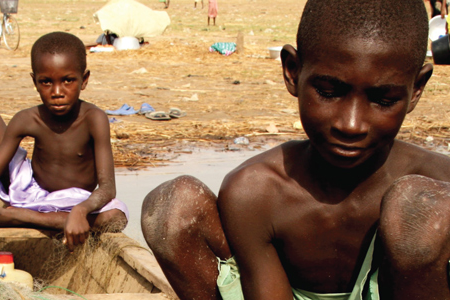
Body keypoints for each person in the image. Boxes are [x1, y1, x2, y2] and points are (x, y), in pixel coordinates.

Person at [141, 0, 450, 299]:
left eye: (383, 100)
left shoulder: (440, 182)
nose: (352, 125)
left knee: (422, 208)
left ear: (417, 89)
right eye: (329, 92)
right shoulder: (256, 193)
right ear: (292, 71)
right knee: (172, 209)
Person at [0, 32, 129, 251]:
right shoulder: (27, 119)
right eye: (46, 82)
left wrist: (80, 211)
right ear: (34, 81)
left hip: (74, 202)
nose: (57, 92)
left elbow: (108, 188)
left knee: (116, 217)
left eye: (68, 81)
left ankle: (17, 217)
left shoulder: (94, 118)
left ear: (85, 80)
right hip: (30, 191)